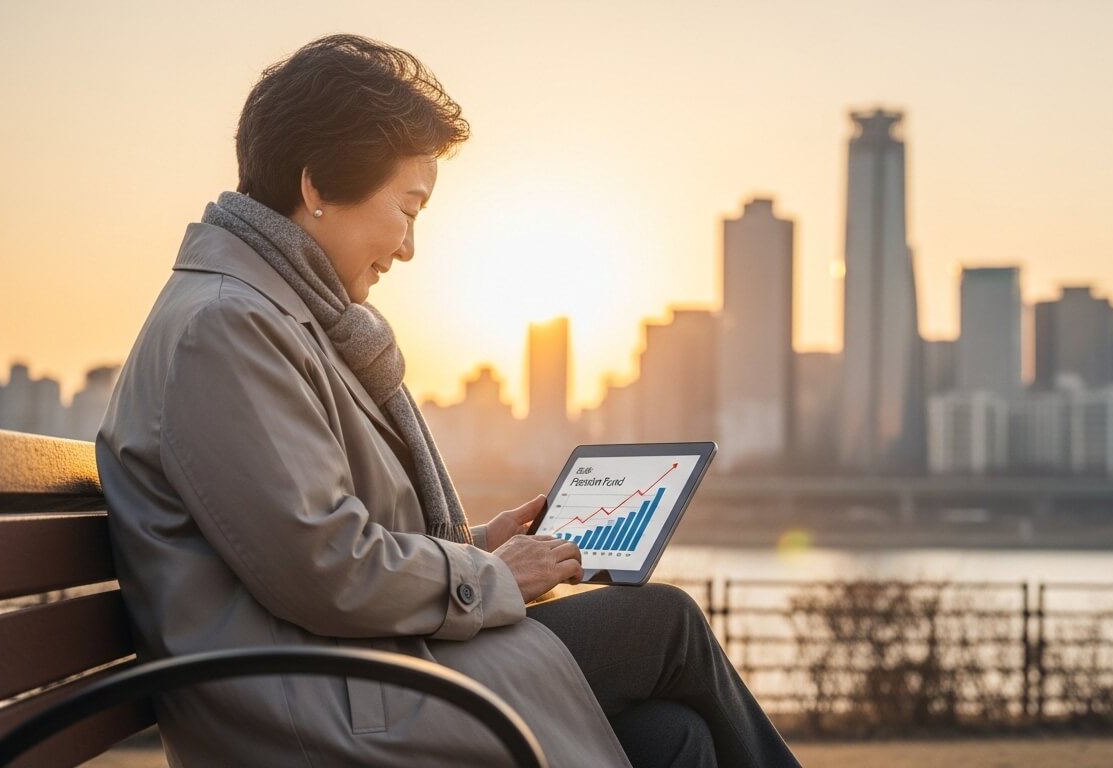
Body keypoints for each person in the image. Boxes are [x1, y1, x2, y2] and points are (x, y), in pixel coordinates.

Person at [96, 34, 799, 768]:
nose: (408, 248)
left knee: (670, 738)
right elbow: (324, 564)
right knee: (665, 625)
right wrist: (495, 575)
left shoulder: (270, 318)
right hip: (321, 704)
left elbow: (322, 541)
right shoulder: (226, 328)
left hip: (359, 671)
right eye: (408, 207)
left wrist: (477, 546)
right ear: (315, 189)